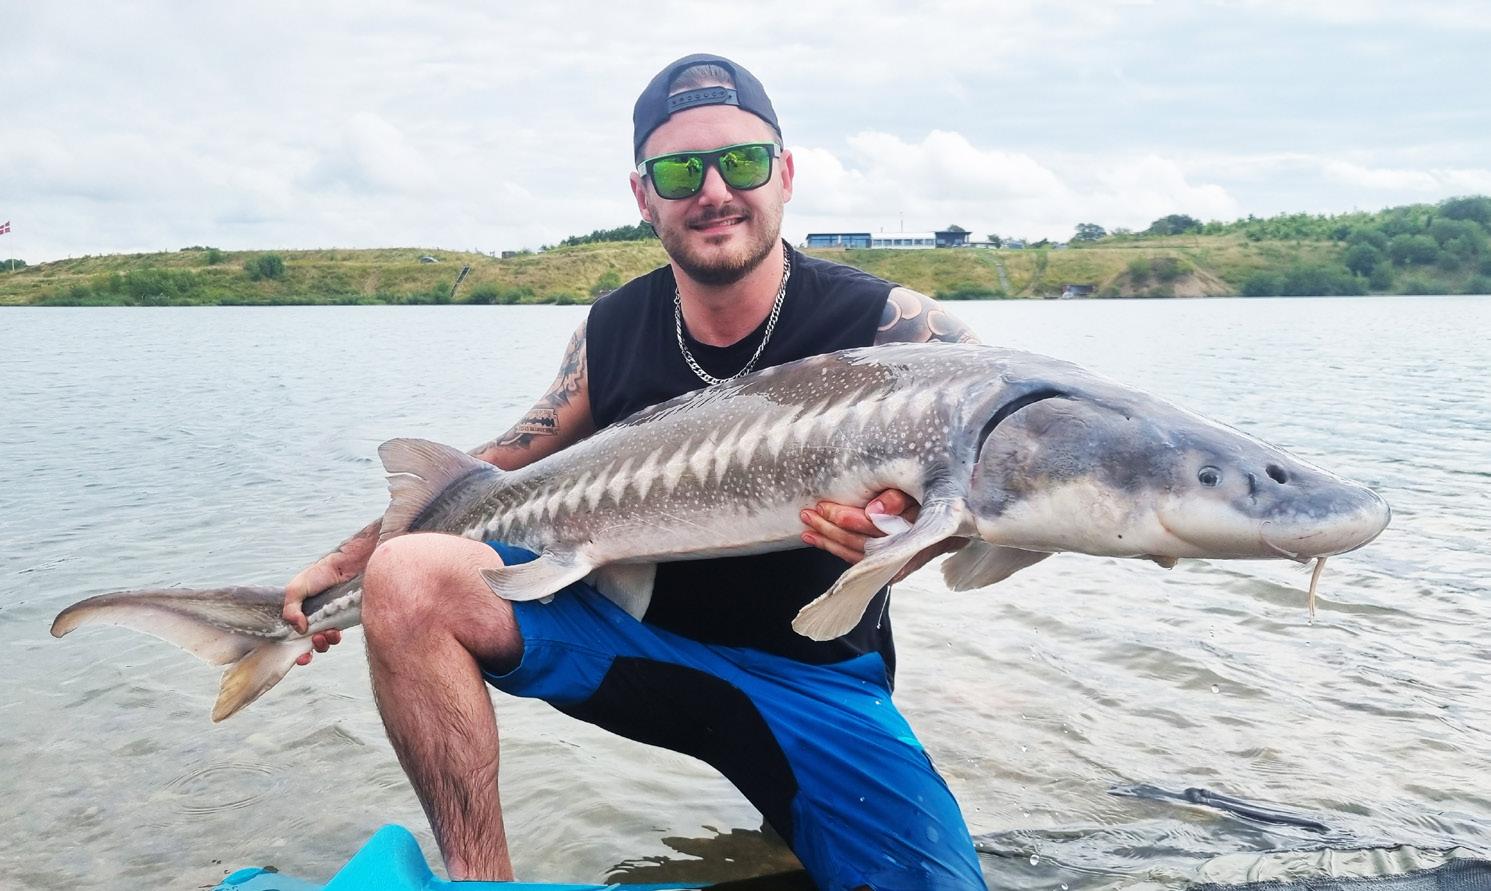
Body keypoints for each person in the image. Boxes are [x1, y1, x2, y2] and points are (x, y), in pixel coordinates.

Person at [283, 54, 987, 890]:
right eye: (680, 171)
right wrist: (350, 560)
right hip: (634, 647)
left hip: (811, 678)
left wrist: (922, 538)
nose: (714, 190)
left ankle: (795, 828)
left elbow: (996, 469)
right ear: (643, 195)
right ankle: (480, 883)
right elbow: (502, 462)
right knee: (407, 574)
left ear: (786, 174)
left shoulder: (895, 327)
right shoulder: (612, 328)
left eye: (743, 161)